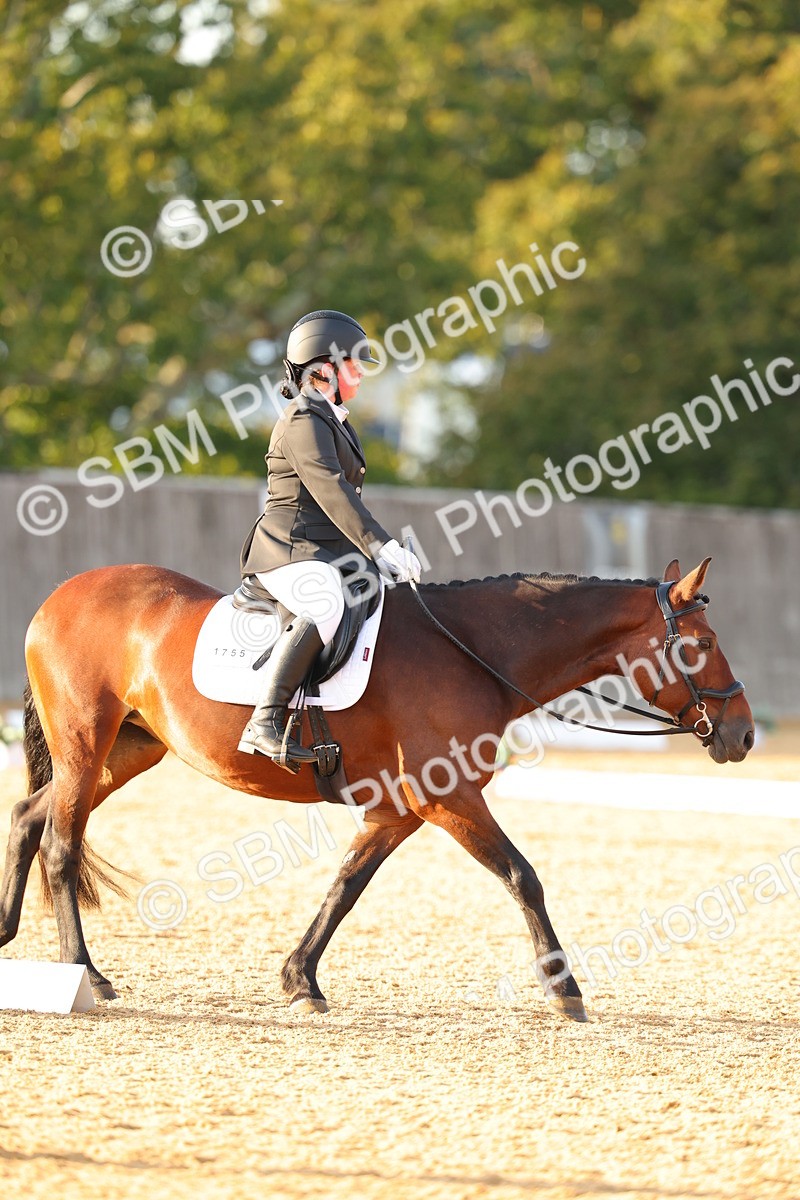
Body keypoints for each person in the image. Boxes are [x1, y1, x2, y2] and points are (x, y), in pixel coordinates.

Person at [238, 309, 422, 768]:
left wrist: (375, 557)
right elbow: (329, 487)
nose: (361, 372)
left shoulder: (334, 418)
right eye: (354, 363)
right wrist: (381, 545)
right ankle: (266, 718)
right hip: (289, 549)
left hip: (325, 551)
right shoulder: (303, 417)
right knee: (324, 603)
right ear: (324, 368)